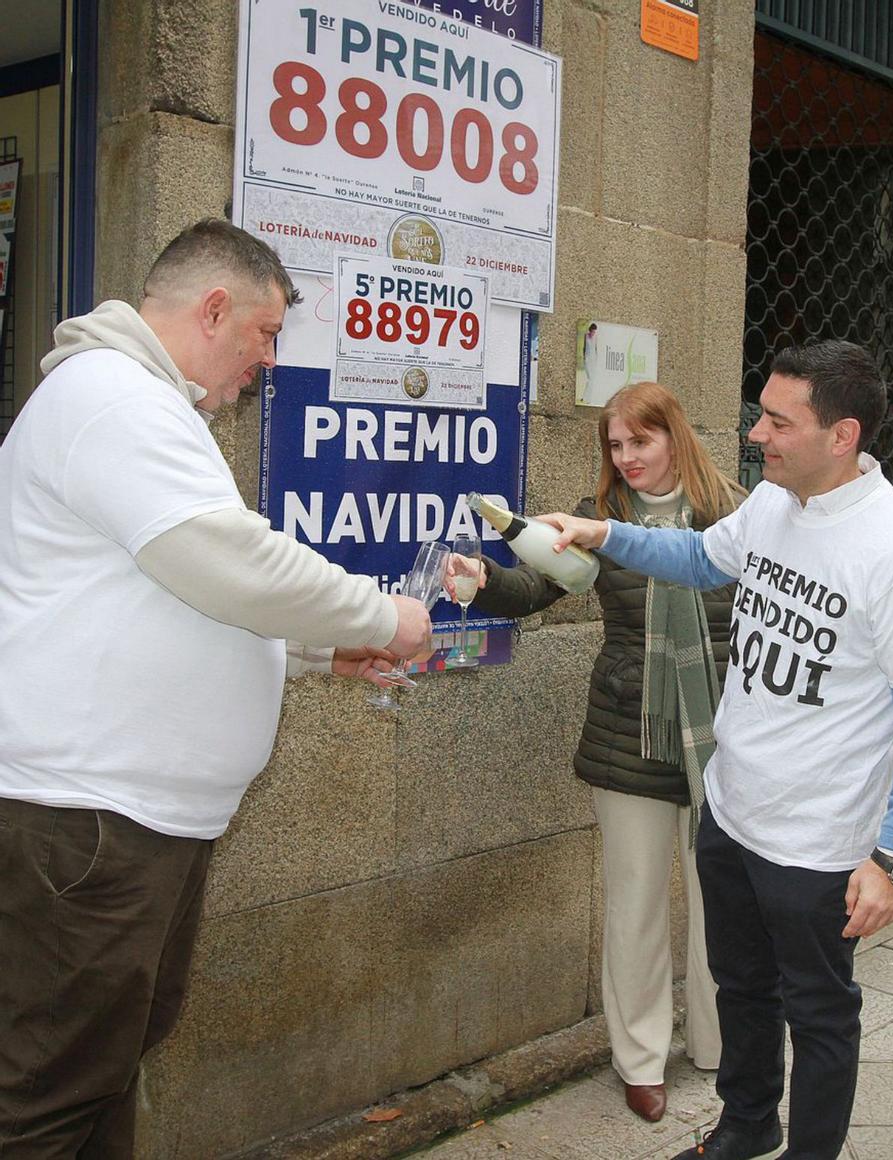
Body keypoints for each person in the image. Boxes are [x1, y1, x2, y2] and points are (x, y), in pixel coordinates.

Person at [0, 219, 431, 1158]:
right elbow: (226, 561)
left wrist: (318, 655)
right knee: (47, 1091)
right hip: (91, 822)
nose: (268, 363)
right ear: (213, 308)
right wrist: (378, 618)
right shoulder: (115, 399)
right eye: (267, 336)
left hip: (126, 823)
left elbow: (180, 596)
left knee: (99, 1068)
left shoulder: (143, 406)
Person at [540, 340, 893, 1160]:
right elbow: (700, 559)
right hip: (731, 811)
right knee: (742, 989)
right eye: (760, 413)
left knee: (820, 1012)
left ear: (841, 436)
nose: (755, 434)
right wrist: (603, 532)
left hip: (819, 841)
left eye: (777, 420)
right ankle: (745, 1124)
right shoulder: (773, 504)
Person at [456, 381, 743, 1123]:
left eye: (639, 442)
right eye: (614, 446)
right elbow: (535, 589)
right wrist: (483, 580)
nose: (626, 458)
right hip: (631, 735)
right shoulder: (598, 519)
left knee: (725, 905)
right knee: (636, 905)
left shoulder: (735, 515)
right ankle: (641, 1060)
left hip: (726, 741)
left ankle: (720, 1047)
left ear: (673, 437)